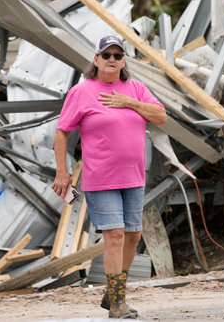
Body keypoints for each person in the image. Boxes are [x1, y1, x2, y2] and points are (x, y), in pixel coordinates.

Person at [52, 36, 167, 319]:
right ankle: (118, 303)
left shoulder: (136, 89)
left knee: (133, 235)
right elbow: (62, 131)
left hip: (134, 177)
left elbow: (161, 116)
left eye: (117, 55)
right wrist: (62, 172)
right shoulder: (82, 92)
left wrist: (129, 102)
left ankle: (113, 292)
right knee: (114, 235)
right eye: (106, 55)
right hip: (101, 177)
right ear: (96, 60)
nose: (112, 59)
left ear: (124, 60)